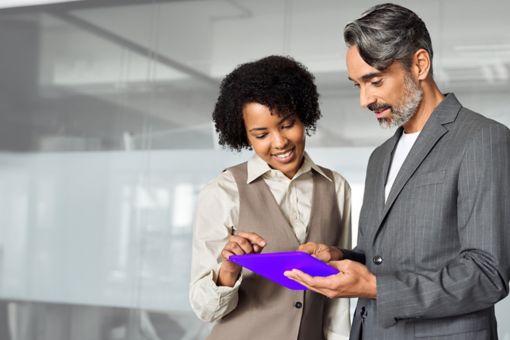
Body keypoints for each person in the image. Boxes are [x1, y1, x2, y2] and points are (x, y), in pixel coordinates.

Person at [285, 3, 510, 339]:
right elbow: (379, 257)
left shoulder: (482, 139)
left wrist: (377, 288)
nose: (365, 99)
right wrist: (339, 256)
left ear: (419, 64)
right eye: (357, 85)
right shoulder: (380, 156)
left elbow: (487, 273)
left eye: (374, 80)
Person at [189, 55, 352, 340]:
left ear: (303, 116)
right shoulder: (222, 192)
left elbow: (338, 297)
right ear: (245, 137)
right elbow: (205, 310)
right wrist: (228, 270)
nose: (279, 142)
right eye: (261, 134)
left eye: (287, 124)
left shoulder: (336, 186)